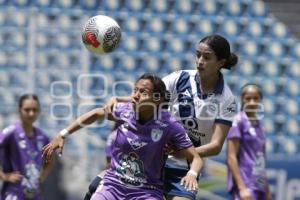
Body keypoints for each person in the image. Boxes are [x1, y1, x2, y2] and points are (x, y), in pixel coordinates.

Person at [103, 34, 238, 200]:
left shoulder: (227, 100)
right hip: (150, 160)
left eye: (207, 57)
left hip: (184, 169)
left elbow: (216, 146)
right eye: (198, 55)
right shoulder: (180, 78)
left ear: (221, 62)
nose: (200, 61)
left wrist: (184, 153)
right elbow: (148, 98)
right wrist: (118, 99)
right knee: (97, 185)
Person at [42, 73, 204, 200]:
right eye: (135, 90)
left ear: (158, 99)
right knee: (94, 189)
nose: (135, 95)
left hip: (146, 191)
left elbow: (196, 159)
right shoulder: (125, 110)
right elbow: (97, 113)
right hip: (114, 184)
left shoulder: (169, 124)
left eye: (143, 92)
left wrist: (192, 174)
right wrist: (63, 134)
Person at [0, 94, 54, 200]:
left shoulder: (42, 136)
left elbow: (50, 161)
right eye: (27, 109)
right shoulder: (11, 132)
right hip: (13, 194)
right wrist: (4, 176)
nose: (31, 113)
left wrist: (41, 177)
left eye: (35, 110)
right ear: (19, 110)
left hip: (34, 194)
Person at [227, 84, 272, 200]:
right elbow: (231, 157)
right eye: (248, 98)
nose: (252, 102)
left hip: (260, 184)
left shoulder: (260, 126)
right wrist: (242, 188)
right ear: (242, 99)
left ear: (260, 100)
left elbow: (261, 159)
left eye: (255, 98)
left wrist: (267, 189)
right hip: (246, 182)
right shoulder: (238, 121)